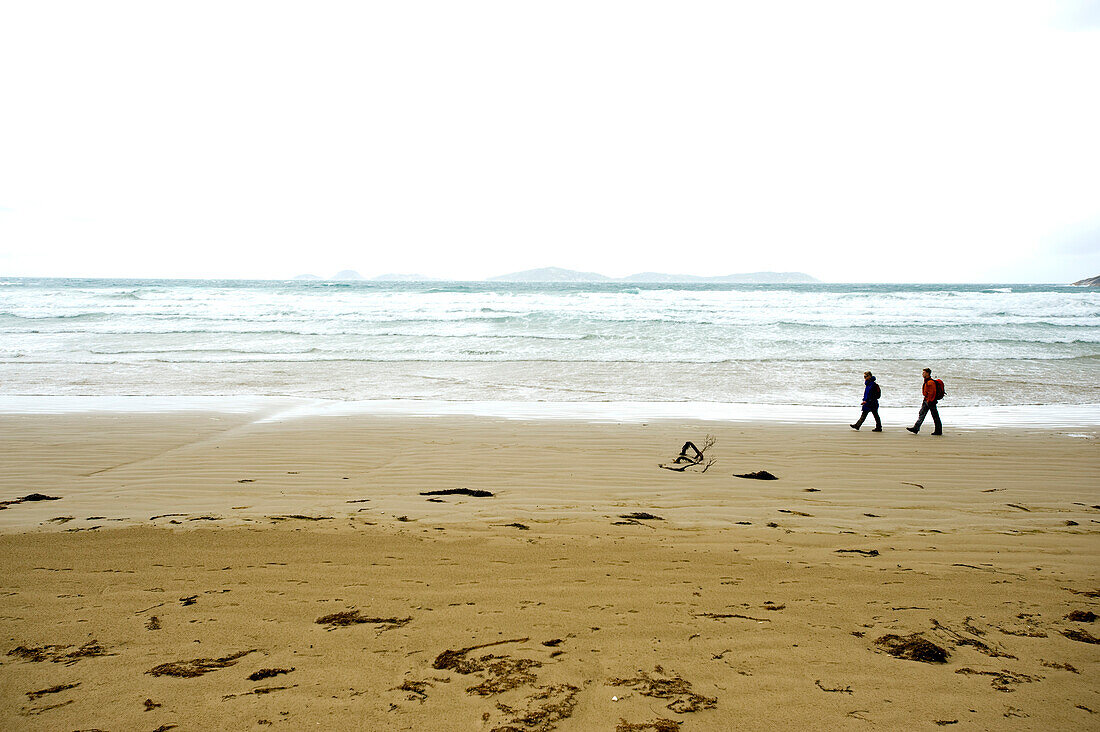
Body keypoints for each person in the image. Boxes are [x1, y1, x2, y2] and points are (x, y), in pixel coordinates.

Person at [906, 367, 942, 435]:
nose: (922, 374)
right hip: (927, 400)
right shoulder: (927, 381)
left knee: (935, 416)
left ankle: (938, 431)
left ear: (927, 373)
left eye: (924, 373)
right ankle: (916, 428)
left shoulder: (930, 382)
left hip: (930, 401)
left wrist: (929, 401)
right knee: (922, 414)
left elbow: (932, 393)